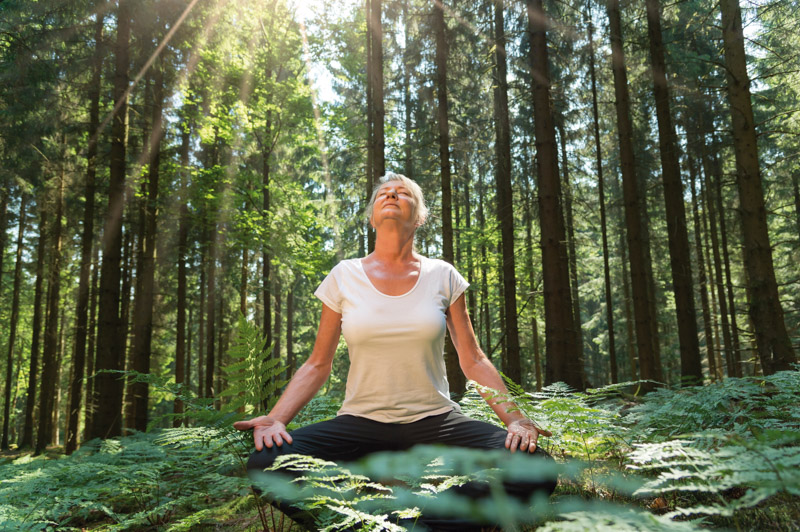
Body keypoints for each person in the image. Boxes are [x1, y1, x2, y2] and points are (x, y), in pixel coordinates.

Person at [235, 172, 556, 530]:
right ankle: (366, 525)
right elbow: (317, 363)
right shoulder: (345, 275)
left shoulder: (443, 275)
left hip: (436, 421)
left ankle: (425, 524)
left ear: (419, 216)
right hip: (361, 422)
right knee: (267, 462)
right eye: (383, 194)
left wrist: (515, 419)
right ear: (373, 216)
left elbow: (474, 359)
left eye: (402, 193)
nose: (391, 195)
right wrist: (277, 418)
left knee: (536, 467)